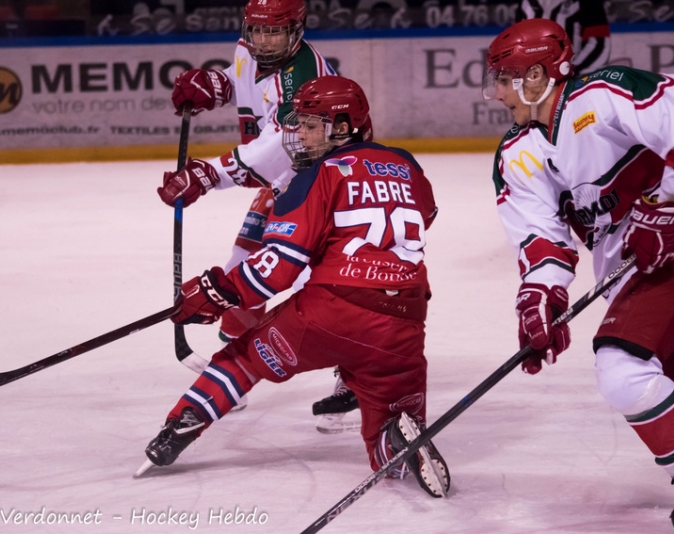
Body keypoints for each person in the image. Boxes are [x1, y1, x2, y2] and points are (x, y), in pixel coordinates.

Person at [142, 75, 450, 498]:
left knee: (243, 358)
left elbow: (278, 267)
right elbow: (425, 213)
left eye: (310, 125)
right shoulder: (407, 164)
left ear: (341, 127)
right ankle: (395, 440)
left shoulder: (316, 174)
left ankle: (182, 424)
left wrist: (219, 292)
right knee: (385, 445)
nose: (300, 135)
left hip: (331, 314)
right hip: (404, 325)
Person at [483, 18, 674, 532]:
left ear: (536, 74)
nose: (496, 92)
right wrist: (540, 295)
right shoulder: (518, 155)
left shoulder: (605, 94)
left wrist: (670, 202)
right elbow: (541, 238)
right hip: (645, 268)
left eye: (503, 77)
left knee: (623, 369)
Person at [157, 0, 360, 431]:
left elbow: (276, 148)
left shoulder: (305, 77)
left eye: (275, 32)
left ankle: (356, 378)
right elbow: (244, 81)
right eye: (257, 31)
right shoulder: (248, 50)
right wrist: (217, 84)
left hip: (319, 186)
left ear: (297, 29)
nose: (264, 41)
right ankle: (230, 370)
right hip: (284, 184)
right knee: (241, 270)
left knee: (327, 285)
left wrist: (209, 173)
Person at [515, 0, 611, 74]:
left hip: (573, 85)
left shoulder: (586, 2)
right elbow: (517, 43)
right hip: (534, 83)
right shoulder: (525, 3)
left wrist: (571, 73)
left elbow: (600, 45)